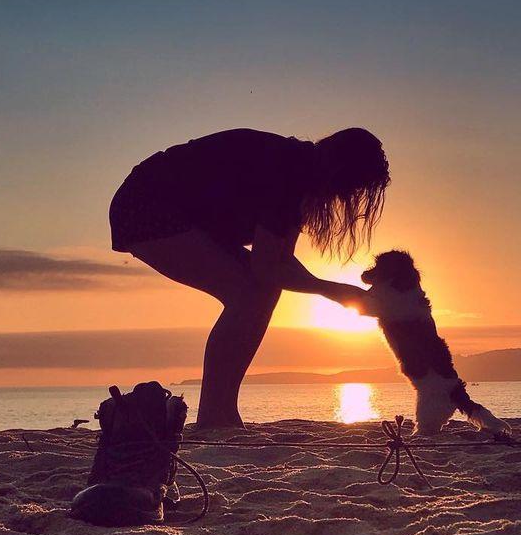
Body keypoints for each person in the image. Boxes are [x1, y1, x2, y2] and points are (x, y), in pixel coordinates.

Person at [110, 127, 387, 428]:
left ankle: (220, 411)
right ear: (340, 172)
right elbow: (268, 267)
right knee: (248, 294)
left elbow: (275, 262)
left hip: (167, 208)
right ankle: (216, 415)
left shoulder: (295, 173)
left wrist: (331, 290)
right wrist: (331, 291)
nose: (347, 198)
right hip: (146, 205)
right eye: (352, 188)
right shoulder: (289, 174)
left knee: (261, 291)